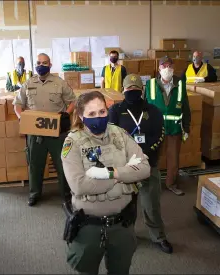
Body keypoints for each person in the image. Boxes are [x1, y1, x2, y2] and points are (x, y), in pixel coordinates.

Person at [61, 90, 151, 274]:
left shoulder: (120, 135)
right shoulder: (73, 143)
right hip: (89, 227)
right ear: (80, 115)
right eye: (91, 114)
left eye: (102, 112)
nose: (98, 117)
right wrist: (124, 174)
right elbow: (79, 185)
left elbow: (144, 169)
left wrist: (110, 173)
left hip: (122, 224)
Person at [109, 74, 173, 254]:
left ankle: (158, 236)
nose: (132, 92)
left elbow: (159, 136)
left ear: (142, 91)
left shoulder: (154, 111)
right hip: (125, 166)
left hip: (147, 164)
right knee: (125, 204)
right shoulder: (115, 110)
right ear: (123, 90)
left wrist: (143, 154)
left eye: (136, 89)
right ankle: (124, 237)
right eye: (129, 89)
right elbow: (112, 137)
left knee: (151, 204)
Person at [13, 53, 76, 206]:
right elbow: (17, 104)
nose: (41, 65)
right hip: (35, 133)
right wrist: (22, 117)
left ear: (50, 64)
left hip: (57, 132)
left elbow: (73, 101)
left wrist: (66, 114)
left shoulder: (59, 83)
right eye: (38, 63)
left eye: (44, 63)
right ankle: (34, 193)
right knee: (35, 164)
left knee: (62, 164)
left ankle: (66, 195)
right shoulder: (28, 83)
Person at [145, 57, 191, 196]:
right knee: (153, 158)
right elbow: (144, 108)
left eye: (169, 65)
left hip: (174, 128)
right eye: (163, 66)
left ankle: (171, 184)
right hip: (155, 129)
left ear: (173, 67)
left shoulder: (181, 84)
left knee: (173, 159)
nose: (167, 68)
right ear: (159, 68)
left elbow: (186, 108)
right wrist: (145, 126)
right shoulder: (150, 84)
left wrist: (186, 127)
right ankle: (152, 185)